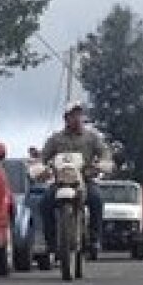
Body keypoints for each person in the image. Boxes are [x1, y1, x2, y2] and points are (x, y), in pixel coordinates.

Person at [37, 101, 111, 253]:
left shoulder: (92, 137)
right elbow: (42, 157)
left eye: (79, 114)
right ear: (66, 118)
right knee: (44, 203)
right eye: (73, 115)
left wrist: (103, 164)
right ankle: (51, 242)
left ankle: (95, 239)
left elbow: (104, 153)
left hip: (85, 180)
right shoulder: (56, 139)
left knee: (97, 199)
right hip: (60, 181)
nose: (77, 118)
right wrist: (39, 168)